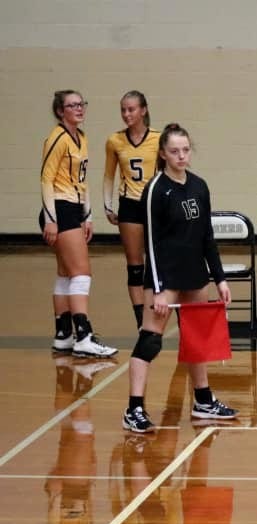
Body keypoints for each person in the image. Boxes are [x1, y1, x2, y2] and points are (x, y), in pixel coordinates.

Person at [123, 123, 238, 434]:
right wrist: (159, 288)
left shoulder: (199, 186)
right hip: (166, 277)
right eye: (174, 151)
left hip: (195, 275)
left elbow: (207, 237)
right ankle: (134, 409)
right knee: (150, 340)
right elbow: (150, 243)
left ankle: (203, 400)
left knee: (198, 338)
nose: (181, 156)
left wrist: (220, 279)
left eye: (186, 150)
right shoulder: (156, 190)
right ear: (163, 153)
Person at [40, 90, 118, 359]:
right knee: (82, 273)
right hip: (60, 209)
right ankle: (84, 336)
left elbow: (81, 182)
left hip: (74, 209)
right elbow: (46, 179)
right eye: (72, 105)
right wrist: (51, 220)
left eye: (81, 103)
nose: (79, 108)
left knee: (65, 274)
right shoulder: (57, 138)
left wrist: (88, 215)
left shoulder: (81, 137)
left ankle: (63, 335)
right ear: (60, 111)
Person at [103, 90, 160, 329]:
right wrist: (107, 206)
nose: (126, 114)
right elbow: (109, 175)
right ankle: (141, 323)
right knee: (135, 267)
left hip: (154, 206)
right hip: (129, 206)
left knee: (159, 264)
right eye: (123, 110)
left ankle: (162, 313)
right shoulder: (115, 141)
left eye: (131, 109)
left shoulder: (158, 138)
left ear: (143, 110)